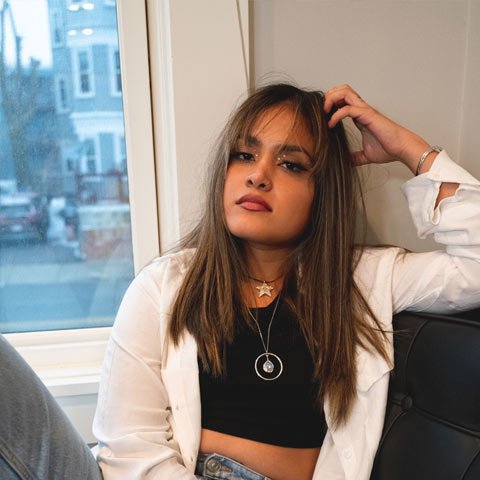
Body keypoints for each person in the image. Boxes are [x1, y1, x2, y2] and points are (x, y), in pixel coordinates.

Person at [0, 83, 479, 480]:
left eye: (291, 164)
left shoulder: (362, 280)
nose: (258, 176)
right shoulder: (162, 287)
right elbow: (130, 452)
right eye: (244, 155)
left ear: (323, 192)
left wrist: (410, 149)